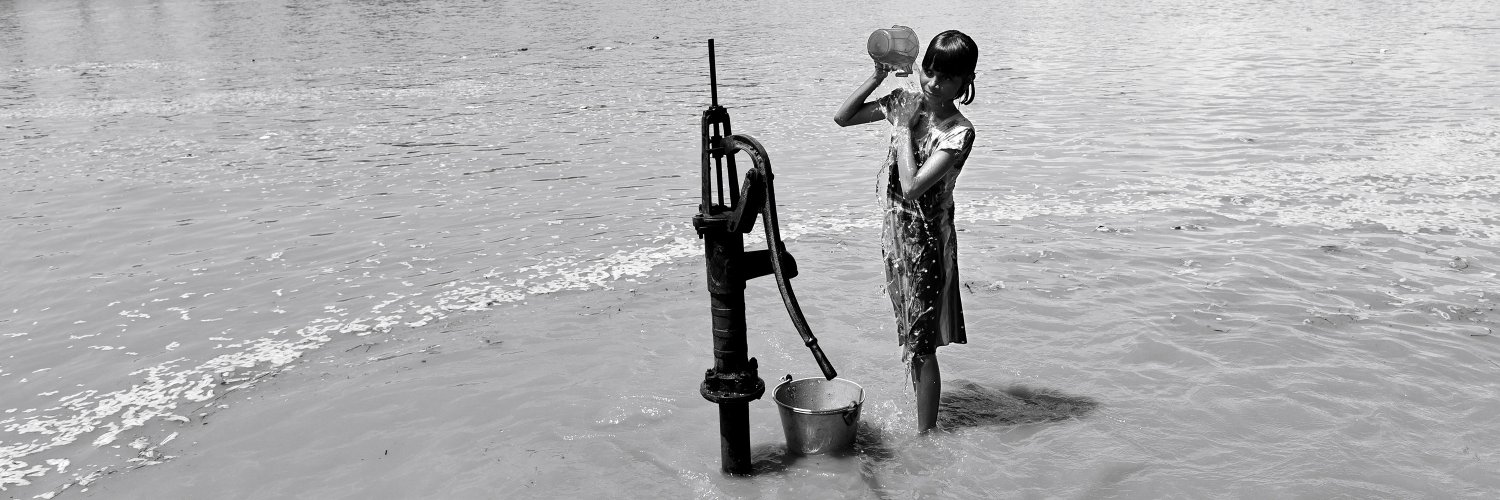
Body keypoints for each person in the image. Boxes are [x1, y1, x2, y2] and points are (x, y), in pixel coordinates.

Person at [833, 30, 978, 432]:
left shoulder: (958, 132)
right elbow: (843, 117)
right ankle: (925, 427)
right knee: (910, 338)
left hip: (929, 242)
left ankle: (925, 437)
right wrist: (879, 77)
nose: (933, 84)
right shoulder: (906, 102)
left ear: (966, 82)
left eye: (946, 78)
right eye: (929, 72)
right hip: (897, 235)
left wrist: (900, 128)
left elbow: (913, 187)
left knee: (922, 343)